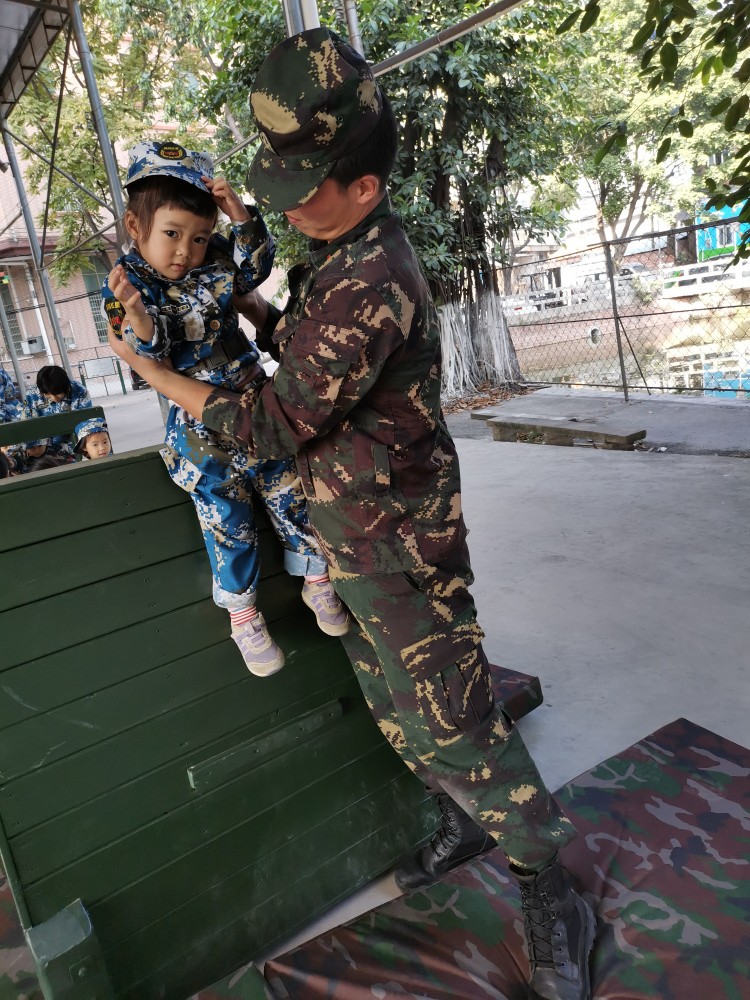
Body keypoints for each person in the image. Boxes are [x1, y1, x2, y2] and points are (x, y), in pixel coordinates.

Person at [107, 30, 595, 999]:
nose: (285, 203)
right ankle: (464, 819)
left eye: (303, 185)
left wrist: (153, 368)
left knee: (457, 718)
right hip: (349, 536)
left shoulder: (372, 276)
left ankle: (550, 883)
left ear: (363, 186)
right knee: (396, 707)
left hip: (397, 544)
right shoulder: (340, 253)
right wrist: (237, 310)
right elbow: (299, 339)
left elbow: (269, 421)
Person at [103, 140, 348, 677]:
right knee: (225, 517)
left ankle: (315, 578)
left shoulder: (214, 259)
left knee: (290, 488)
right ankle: (243, 615)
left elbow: (253, 273)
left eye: (198, 237)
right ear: (135, 226)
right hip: (200, 421)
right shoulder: (127, 285)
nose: (184, 251)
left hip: (253, 398)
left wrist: (240, 218)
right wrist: (139, 319)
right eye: (172, 234)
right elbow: (146, 353)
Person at [22, 365, 93, 459]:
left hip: (73, 444)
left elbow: (86, 423)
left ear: (66, 386)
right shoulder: (32, 395)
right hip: (42, 447)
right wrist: (39, 445)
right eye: (48, 395)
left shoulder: (79, 391)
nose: (55, 398)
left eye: (58, 394)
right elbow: (28, 424)